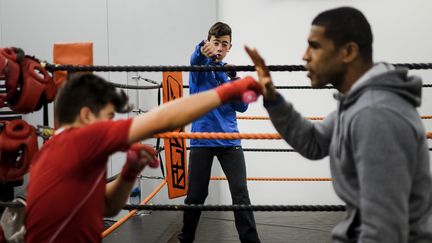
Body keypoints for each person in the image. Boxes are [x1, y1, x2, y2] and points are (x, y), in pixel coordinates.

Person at [245, 6, 432, 243]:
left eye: (315, 46)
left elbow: (384, 232)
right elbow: (313, 143)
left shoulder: (375, 114)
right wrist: (272, 97)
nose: (305, 56)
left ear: (348, 52)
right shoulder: (358, 102)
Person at [24, 72, 262, 243]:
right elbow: (164, 119)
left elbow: (107, 206)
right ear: (86, 115)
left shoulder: (58, 151)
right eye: (107, 117)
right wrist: (227, 91)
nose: (109, 124)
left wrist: (129, 171)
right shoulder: (77, 141)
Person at [178, 22, 261, 243]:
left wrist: (231, 79)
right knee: (196, 196)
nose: (220, 48)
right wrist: (202, 50)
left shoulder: (230, 74)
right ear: (209, 43)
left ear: (229, 47)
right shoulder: (200, 69)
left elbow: (242, 106)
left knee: (240, 193)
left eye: (224, 44)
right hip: (202, 141)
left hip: (230, 143)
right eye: (216, 43)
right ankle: (185, 239)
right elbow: (195, 59)